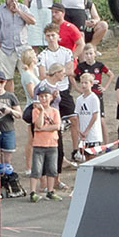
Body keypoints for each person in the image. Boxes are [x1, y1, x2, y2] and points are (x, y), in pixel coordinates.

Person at [37, 22, 76, 172]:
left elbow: (70, 70)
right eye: (48, 36)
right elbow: (42, 75)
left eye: (53, 35)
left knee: (74, 118)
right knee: (54, 123)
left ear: (58, 36)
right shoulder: (43, 55)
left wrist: (54, 73)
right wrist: (58, 72)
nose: (51, 38)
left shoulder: (66, 52)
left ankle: (75, 150)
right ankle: (59, 157)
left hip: (64, 89)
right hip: (50, 92)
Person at [0, 0, 36, 93]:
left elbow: (33, 21)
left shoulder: (23, 8)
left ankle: (33, 99)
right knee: (7, 78)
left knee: (28, 75)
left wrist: (19, 11)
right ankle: (12, 101)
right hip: (6, 48)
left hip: (23, 48)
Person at [28, 87, 62, 203]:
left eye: (46, 96)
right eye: (41, 97)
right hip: (39, 144)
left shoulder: (55, 111)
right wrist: (42, 111)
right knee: (36, 169)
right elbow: (37, 125)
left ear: (51, 97)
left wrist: (43, 129)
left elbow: (57, 126)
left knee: (52, 169)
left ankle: (50, 190)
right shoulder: (35, 111)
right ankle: (33, 192)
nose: (43, 99)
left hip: (52, 144)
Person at [74, 44, 112, 143]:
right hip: (86, 96)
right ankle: (85, 140)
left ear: (95, 54)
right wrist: (77, 88)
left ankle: (107, 144)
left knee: (101, 120)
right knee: (85, 116)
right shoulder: (81, 66)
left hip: (97, 95)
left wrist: (105, 87)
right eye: (86, 54)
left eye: (91, 53)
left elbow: (111, 75)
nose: (88, 56)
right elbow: (72, 76)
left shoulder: (99, 65)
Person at [18, 48, 40, 173]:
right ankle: (28, 166)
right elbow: (32, 94)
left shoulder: (32, 73)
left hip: (35, 106)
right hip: (32, 107)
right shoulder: (27, 75)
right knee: (31, 138)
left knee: (33, 137)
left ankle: (31, 165)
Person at [74, 73, 103, 161]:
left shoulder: (94, 98)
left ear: (91, 84)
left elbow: (95, 115)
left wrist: (87, 130)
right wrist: (79, 130)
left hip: (93, 134)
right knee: (85, 156)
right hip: (83, 134)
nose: (83, 85)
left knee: (92, 157)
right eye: (82, 83)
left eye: (86, 83)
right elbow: (77, 115)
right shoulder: (79, 99)